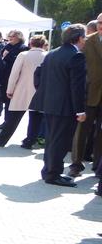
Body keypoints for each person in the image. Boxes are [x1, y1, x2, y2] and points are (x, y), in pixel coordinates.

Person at [36, 24, 88, 187]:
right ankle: (53, 174)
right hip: (65, 106)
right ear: (79, 38)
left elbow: (38, 76)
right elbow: (77, 86)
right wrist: (80, 110)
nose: (85, 40)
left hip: (50, 103)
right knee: (60, 141)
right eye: (84, 37)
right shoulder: (76, 56)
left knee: (52, 139)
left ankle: (49, 170)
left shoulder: (52, 53)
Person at [0, 35, 47, 147]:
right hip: (39, 91)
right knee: (36, 118)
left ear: (31, 44)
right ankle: (30, 141)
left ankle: (1, 140)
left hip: (22, 89)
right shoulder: (47, 56)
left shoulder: (23, 55)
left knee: (13, 118)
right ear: (43, 44)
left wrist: (10, 89)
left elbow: (14, 74)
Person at [70, 17, 101, 175]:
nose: (101, 26)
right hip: (89, 93)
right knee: (82, 130)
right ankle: (76, 165)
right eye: (100, 23)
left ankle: (98, 167)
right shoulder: (86, 41)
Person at [0, 30, 28, 123]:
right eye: (9, 36)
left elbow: (18, 62)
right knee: (6, 101)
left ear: (19, 37)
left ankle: (9, 122)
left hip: (15, 78)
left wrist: (7, 56)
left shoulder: (23, 48)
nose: (10, 38)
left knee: (11, 102)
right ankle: (6, 121)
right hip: (4, 77)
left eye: (13, 36)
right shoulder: (7, 46)